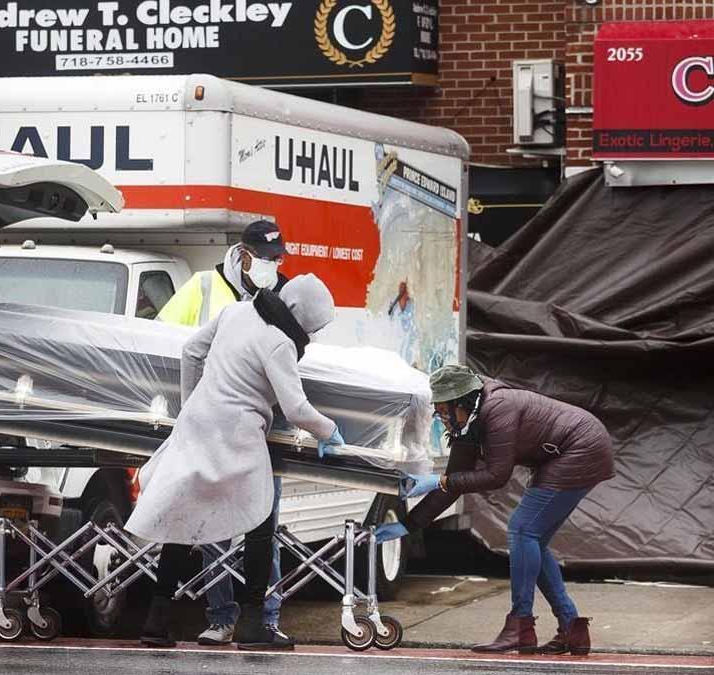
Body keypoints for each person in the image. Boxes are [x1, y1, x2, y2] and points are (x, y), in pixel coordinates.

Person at [126, 275, 345, 651]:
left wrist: (195, 401)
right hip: (238, 438)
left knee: (182, 520)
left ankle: (156, 622)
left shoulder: (236, 311)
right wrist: (330, 431)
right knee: (260, 524)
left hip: (195, 427)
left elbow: (192, 350)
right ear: (300, 316)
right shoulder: (280, 344)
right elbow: (296, 407)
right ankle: (253, 623)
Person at [375, 365, 614, 656]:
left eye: (443, 411)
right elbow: (455, 485)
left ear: (461, 402)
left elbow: (496, 475)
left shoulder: (498, 408)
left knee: (523, 530)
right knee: (531, 538)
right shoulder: (468, 420)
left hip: (583, 447)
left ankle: (520, 626)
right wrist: (407, 525)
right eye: (437, 412)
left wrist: (437, 480)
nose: (441, 419)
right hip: (562, 453)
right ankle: (571, 630)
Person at [154, 219, 290, 646]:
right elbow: (162, 338)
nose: (275, 266)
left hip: (259, 431)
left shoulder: (281, 291)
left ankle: (265, 619)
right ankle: (221, 618)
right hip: (213, 430)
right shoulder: (204, 287)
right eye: (267, 259)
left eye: (278, 258)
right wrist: (191, 407)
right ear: (244, 255)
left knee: (263, 529)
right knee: (211, 527)